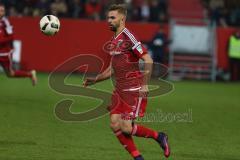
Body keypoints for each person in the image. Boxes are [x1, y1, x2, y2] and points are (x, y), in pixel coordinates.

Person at [83, 4, 170, 160]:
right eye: (108, 17)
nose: (108, 21)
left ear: (122, 19)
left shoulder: (128, 37)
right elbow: (112, 69)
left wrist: (144, 84)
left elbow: (148, 60)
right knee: (115, 124)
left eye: (112, 17)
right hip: (119, 89)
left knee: (126, 128)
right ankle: (138, 157)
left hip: (133, 87)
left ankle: (159, 136)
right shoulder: (114, 40)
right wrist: (95, 80)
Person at [0, 3, 37, 86]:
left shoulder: (5, 22)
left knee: (10, 74)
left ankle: (30, 74)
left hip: (4, 53)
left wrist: (0, 41)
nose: (2, 12)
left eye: (3, 11)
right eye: (0, 10)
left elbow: (11, 37)